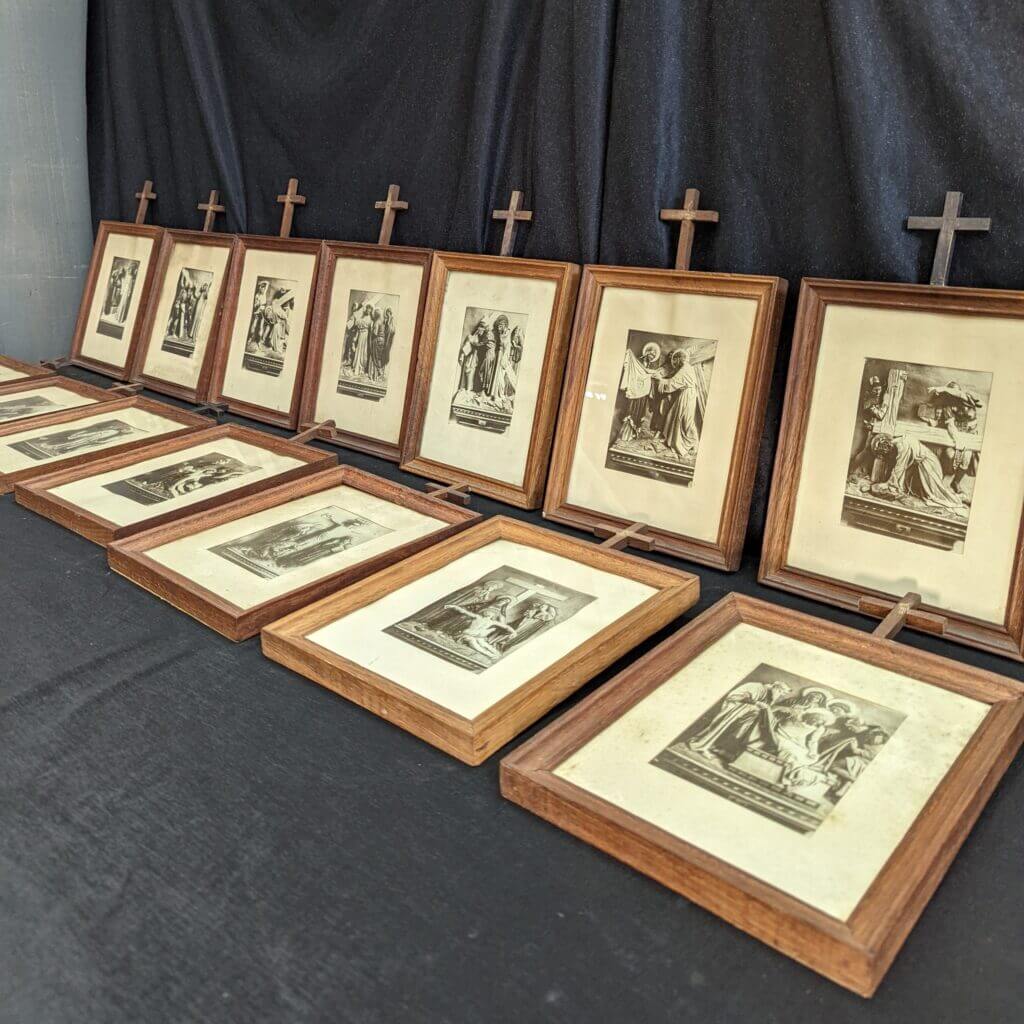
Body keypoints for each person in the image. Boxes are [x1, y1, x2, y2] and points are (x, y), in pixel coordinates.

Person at [686, 679, 792, 761]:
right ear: (776, 688)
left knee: (742, 731)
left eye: (782, 694)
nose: (780, 695)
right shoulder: (757, 687)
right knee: (722, 727)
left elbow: (765, 708)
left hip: (746, 716)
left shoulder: (770, 696)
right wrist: (755, 703)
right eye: (781, 692)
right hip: (735, 711)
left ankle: (715, 747)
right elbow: (734, 697)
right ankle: (701, 745)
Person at [658, 349, 701, 459]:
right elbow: (675, 381)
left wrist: (660, 380)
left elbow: (673, 383)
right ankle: (672, 439)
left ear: (680, 359)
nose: (675, 363)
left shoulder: (685, 368)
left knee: (686, 420)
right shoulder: (686, 368)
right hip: (687, 394)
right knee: (674, 415)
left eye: (676, 360)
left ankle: (693, 443)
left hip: (688, 395)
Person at [615, 342, 660, 443]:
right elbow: (636, 374)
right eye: (650, 354)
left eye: (653, 356)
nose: (651, 357)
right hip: (635, 391)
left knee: (639, 413)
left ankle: (634, 434)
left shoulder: (651, 367)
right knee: (631, 410)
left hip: (643, 394)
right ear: (646, 353)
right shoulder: (638, 363)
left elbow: (650, 378)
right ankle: (626, 435)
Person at [456, 319, 488, 395]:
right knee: (468, 370)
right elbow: (468, 347)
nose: (481, 331)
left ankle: (469, 389)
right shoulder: (472, 337)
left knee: (472, 371)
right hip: (471, 357)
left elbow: (480, 345)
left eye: (482, 330)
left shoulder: (481, 338)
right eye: (480, 329)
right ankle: (466, 388)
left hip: (475, 358)